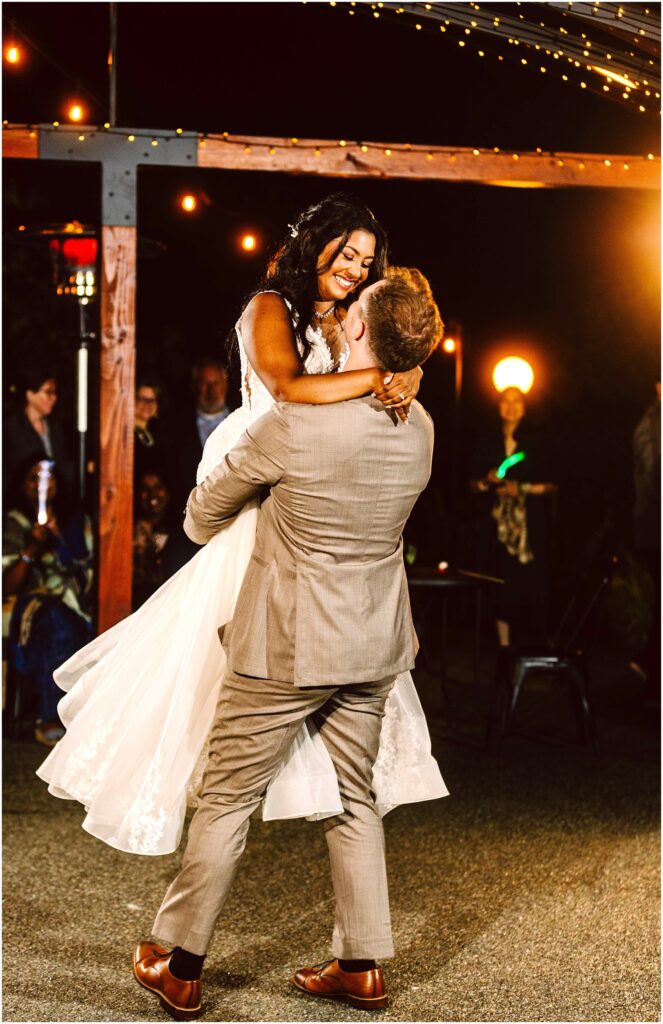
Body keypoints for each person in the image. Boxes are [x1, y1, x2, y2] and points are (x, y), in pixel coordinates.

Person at [37, 193, 445, 857]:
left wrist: (411, 369)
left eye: (366, 260)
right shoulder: (267, 309)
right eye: (346, 253)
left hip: (308, 494)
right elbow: (286, 386)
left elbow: (388, 350)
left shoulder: (352, 322)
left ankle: (287, 785)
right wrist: (381, 376)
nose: (354, 268)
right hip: (258, 478)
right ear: (315, 246)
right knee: (218, 656)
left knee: (301, 651)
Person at [133, 271, 443, 1018]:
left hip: (288, 643)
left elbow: (200, 521)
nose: (341, 313)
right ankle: (361, 964)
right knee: (354, 797)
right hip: (372, 644)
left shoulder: (294, 424)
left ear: (364, 333)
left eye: (353, 309)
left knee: (226, 795)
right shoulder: (420, 426)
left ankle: (179, 962)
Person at [3, 454, 93, 745]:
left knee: (70, 622)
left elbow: (88, 575)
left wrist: (59, 541)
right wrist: (33, 548)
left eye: (48, 477)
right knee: (57, 623)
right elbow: (7, 585)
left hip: (76, 602)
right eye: (33, 477)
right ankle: (51, 716)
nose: (41, 484)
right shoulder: (13, 522)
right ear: (22, 483)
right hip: (28, 606)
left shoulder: (75, 521)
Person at [471, 386, 556, 647]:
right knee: (500, 583)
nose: (511, 406)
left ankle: (533, 643)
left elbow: (553, 484)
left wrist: (521, 488)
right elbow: (471, 486)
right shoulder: (487, 442)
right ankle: (503, 649)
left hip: (529, 526)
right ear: (498, 407)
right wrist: (487, 481)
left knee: (530, 583)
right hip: (496, 526)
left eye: (516, 401)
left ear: (525, 406)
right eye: (505, 401)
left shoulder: (537, 442)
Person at [165, 358, 231, 513]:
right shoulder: (175, 426)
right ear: (194, 387)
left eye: (216, 383)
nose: (211, 390)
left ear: (225, 385)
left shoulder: (243, 420)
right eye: (204, 384)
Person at [632, 380, 661, 704]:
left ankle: (649, 670)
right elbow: (654, 474)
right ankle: (651, 675)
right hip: (656, 530)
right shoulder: (650, 424)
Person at [3, 367, 73, 499]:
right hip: (21, 506)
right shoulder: (10, 429)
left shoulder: (55, 427)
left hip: (52, 503)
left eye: (55, 392)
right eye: (48, 392)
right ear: (30, 394)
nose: (54, 398)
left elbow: (63, 466)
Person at [132, 468, 195, 609]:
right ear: (136, 495)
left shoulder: (183, 533)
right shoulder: (129, 534)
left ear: (168, 493)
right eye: (145, 488)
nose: (152, 494)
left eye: (157, 487)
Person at [133, 380, 164, 486]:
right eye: (142, 399)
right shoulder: (123, 433)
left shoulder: (158, 432)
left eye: (152, 400)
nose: (148, 404)